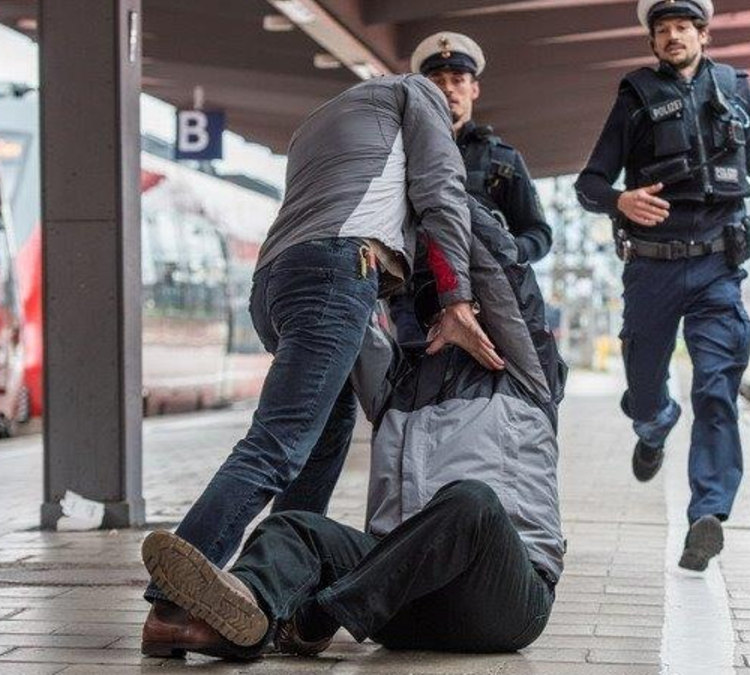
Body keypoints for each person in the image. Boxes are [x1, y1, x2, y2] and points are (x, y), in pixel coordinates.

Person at [141, 74, 507, 654]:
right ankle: (169, 603)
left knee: (324, 437)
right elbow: (441, 192)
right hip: (337, 271)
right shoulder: (418, 95)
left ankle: (275, 595)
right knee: (279, 443)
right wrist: (458, 299)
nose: (450, 91)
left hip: (276, 280)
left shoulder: (318, 123)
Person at [140, 200, 567, 659]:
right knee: (293, 528)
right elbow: (344, 303)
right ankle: (236, 616)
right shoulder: (396, 384)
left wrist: (427, 191)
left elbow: (505, 271)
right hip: (399, 602)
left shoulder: (527, 373)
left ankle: (316, 617)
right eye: (430, 307)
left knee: (472, 502)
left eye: (454, 303)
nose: (440, 316)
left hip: (502, 599)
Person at [574, 0, 750, 571]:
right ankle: (653, 425)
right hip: (652, 267)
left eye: (682, 27)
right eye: (662, 30)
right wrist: (620, 200)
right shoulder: (636, 95)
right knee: (646, 386)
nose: (673, 36)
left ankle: (708, 514)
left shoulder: (735, 87)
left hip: (718, 267)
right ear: (652, 42)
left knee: (716, 387)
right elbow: (589, 183)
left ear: (703, 33)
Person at [390, 31, 553, 342]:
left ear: (474, 88)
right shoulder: (399, 156)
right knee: (414, 374)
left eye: (458, 79)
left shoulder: (502, 160)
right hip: (416, 300)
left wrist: (504, 253)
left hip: (488, 299)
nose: (448, 88)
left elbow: (539, 234)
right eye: (437, 80)